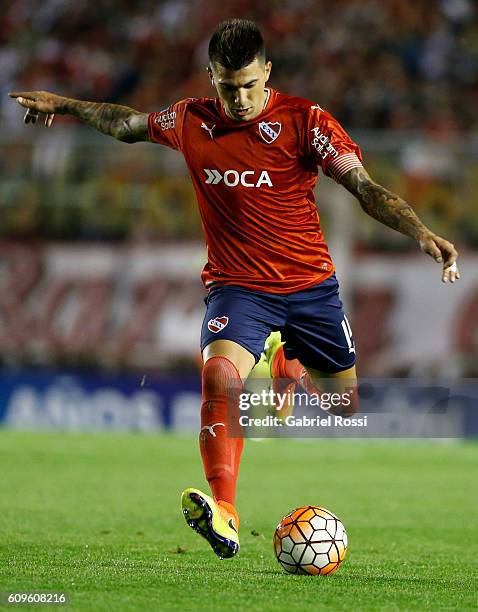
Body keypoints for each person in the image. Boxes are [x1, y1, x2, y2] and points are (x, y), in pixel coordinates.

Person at [9, 18, 460, 560]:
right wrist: (64, 104)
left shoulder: (305, 121)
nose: (241, 98)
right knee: (220, 376)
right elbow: (124, 122)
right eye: (228, 87)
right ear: (211, 78)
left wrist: (421, 232)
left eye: (250, 84)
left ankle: (287, 359)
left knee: (344, 406)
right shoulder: (189, 120)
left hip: (311, 288)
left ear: (267, 71)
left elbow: (364, 188)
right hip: (236, 287)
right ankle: (225, 511)